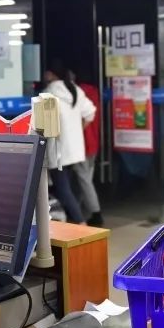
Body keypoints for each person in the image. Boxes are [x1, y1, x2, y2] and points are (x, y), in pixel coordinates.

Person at [43, 60, 96, 224]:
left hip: (58, 149)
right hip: (75, 148)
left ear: (51, 74)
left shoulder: (49, 93)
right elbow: (90, 113)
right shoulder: (75, 89)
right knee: (67, 187)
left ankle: (80, 222)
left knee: (62, 188)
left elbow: (44, 126)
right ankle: (73, 219)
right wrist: (76, 131)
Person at [73, 76, 104, 227]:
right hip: (94, 142)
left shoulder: (76, 92)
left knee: (84, 180)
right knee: (85, 179)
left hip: (83, 144)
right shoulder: (93, 91)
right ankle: (81, 211)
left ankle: (95, 213)